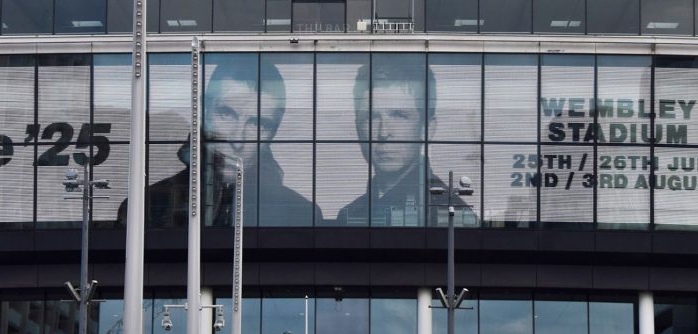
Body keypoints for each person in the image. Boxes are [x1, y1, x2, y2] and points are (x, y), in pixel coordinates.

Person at [118, 60, 319, 227]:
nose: (237, 139)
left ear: (272, 134)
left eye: (258, 123)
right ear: (203, 113)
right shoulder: (145, 207)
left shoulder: (302, 214)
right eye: (226, 114)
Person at [337, 62, 475, 226]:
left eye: (399, 116)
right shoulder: (349, 215)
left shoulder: (452, 215)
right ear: (357, 128)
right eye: (371, 117)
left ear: (427, 129)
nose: (383, 132)